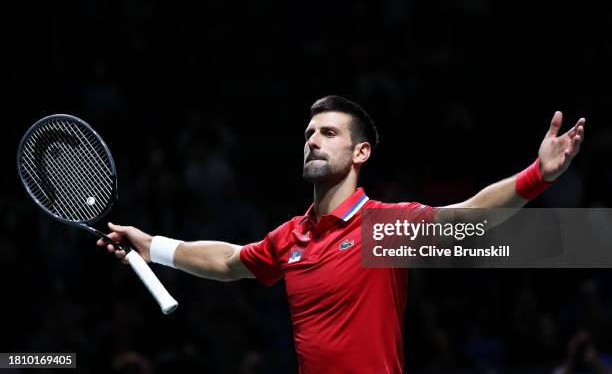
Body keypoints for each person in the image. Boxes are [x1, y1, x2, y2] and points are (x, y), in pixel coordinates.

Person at [97, 95, 585, 373]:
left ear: (360, 154)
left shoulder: (384, 226)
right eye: (309, 133)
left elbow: (470, 214)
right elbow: (229, 261)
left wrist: (536, 176)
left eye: (328, 133)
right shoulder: (290, 238)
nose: (312, 139)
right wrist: (152, 245)